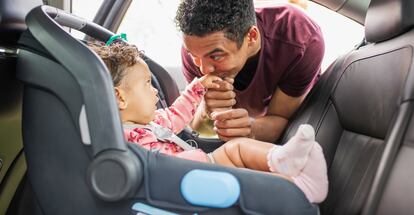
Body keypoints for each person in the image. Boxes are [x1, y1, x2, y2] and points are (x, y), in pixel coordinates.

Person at [89, 41, 328, 203]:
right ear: (120, 98)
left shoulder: (152, 122)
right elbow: (149, 173)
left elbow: (176, 114)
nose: (154, 92)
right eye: (146, 84)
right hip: (181, 180)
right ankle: (296, 179)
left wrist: (197, 87)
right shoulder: (121, 139)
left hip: (193, 169)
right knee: (238, 150)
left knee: (240, 152)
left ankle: (294, 175)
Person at [175, 0, 325, 142]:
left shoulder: (299, 38)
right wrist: (207, 111)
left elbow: (282, 121)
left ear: (252, 36)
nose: (204, 69)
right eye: (194, 55)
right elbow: (197, 129)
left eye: (216, 56)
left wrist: (250, 129)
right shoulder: (198, 47)